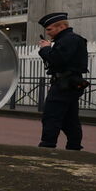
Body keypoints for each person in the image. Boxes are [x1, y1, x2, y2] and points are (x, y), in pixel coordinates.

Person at [37, 12, 89, 150]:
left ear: (61, 27)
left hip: (64, 84)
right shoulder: (71, 39)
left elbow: (56, 60)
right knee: (70, 119)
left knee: (51, 117)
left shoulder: (68, 39)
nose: (48, 33)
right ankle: (74, 147)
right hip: (69, 84)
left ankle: (47, 146)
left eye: (49, 29)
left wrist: (45, 49)